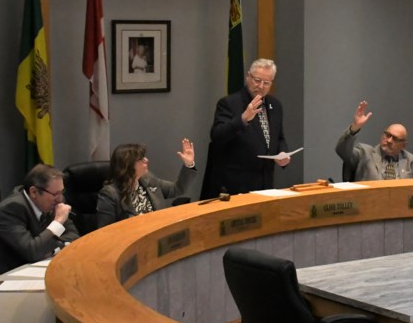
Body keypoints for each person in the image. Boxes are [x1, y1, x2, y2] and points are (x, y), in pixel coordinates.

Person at [201, 59, 291, 198]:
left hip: (265, 184)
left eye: (266, 83)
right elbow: (217, 136)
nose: (261, 86)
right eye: (257, 80)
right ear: (248, 76)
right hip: (235, 186)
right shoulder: (229, 103)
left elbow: (279, 137)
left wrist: (283, 152)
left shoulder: (275, 105)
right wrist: (242, 119)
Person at [0, 164, 80, 274]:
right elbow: (33, 252)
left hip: (30, 270)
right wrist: (58, 222)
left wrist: (51, 249)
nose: (60, 199)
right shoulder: (10, 209)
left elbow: (74, 237)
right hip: (0, 278)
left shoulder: (52, 202)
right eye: (55, 194)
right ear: (34, 192)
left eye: (61, 192)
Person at [96, 139, 198, 228]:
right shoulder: (110, 194)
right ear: (129, 165)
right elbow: (105, 232)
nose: (146, 160)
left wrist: (188, 164)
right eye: (141, 159)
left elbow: (177, 188)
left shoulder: (148, 179)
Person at [335, 100, 413, 181]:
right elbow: (341, 150)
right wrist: (355, 128)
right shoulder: (364, 153)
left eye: (395, 139)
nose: (389, 140)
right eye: (388, 135)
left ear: (403, 146)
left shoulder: (411, 161)